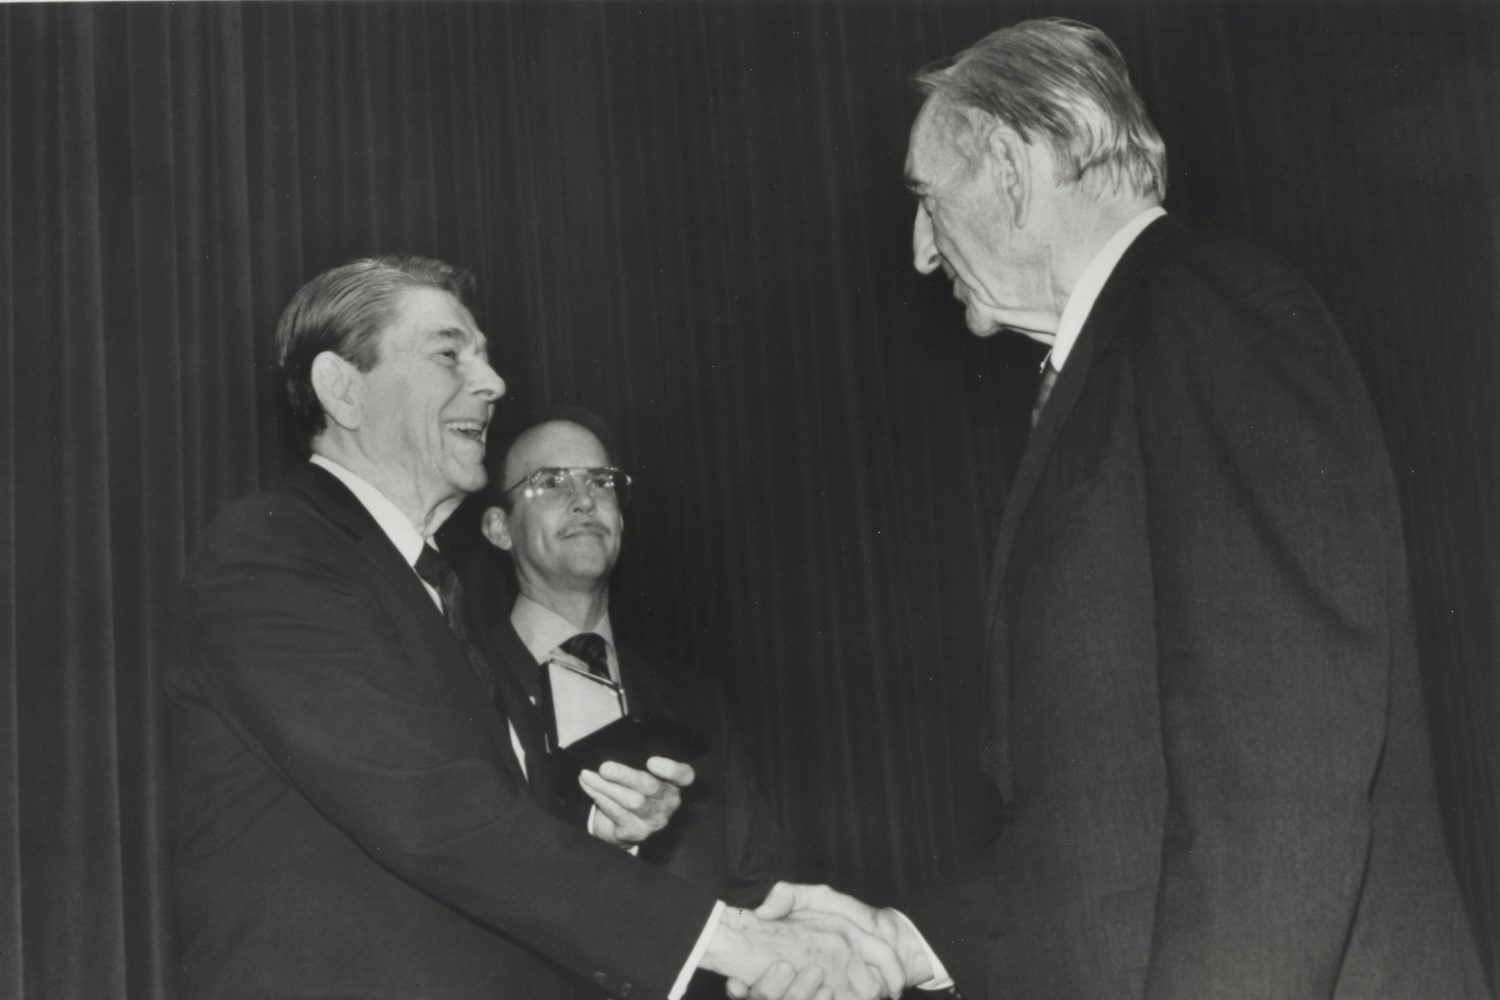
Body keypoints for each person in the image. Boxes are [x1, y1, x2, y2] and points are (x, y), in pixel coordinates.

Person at [741, 18, 1488, 1000]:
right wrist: (907, 938)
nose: (921, 251)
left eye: (927, 198)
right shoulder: (1123, 360)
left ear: (1009, 165)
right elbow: (1114, 825)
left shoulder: (1208, 311)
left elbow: (1280, 768)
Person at [166, 255, 904, 1000]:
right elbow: (431, 811)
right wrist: (726, 937)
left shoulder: (432, 592)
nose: (493, 383)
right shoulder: (272, 553)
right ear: (343, 389)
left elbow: (475, 834)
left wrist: (610, 838)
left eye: (485, 357)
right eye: (450, 353)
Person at [471, 409, 785, 993]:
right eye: (551, 482)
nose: (585, 499)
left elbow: (755, 885)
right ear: (499, 528)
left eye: (601, 482)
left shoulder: (697, 703)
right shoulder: (460, 681)